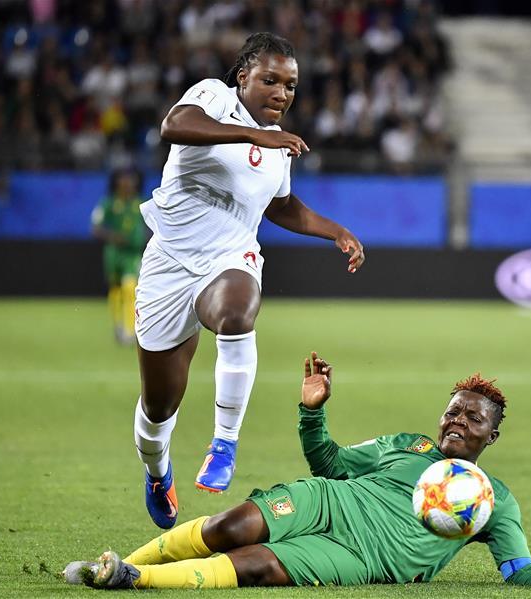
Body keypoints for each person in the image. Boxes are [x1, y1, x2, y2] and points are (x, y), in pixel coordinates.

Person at [62, 352, 531, 591]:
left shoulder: (494, 500)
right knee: (230, 527)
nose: (457, 421)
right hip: (331, 500)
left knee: (254, 565)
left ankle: (135, 580)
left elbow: (517, 570)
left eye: (473, 418)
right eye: (452, 411)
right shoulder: (408, 444)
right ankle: (113, 565)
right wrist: (312, 411)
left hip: (364, 557)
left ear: (492, 435)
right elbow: (331, 464)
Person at [132, 33, 365, 531]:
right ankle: (157, 471)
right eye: (271, 80)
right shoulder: (214, 97)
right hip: (168, 263)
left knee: (238, 311)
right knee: (158, 406)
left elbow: (282, 207)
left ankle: (224, 444)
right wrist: (253, 136)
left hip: (229, 257)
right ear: (244, 77)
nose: (282, 93)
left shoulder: (278, 145)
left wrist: (336, 231)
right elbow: (175, 125)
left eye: (291, 86)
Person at [91, 168, 148, 344]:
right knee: (115, 289)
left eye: (131, 179)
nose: (128, 183)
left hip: (132, 253)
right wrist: (114, 237)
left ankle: (130, 331)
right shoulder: (108, 203)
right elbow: (96, 228)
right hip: (114, 253)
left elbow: (151, 225)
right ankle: (118, 325)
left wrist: (145, 237)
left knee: (130, 288)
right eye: (124, 179)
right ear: (117, 182)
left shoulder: (140, 203)